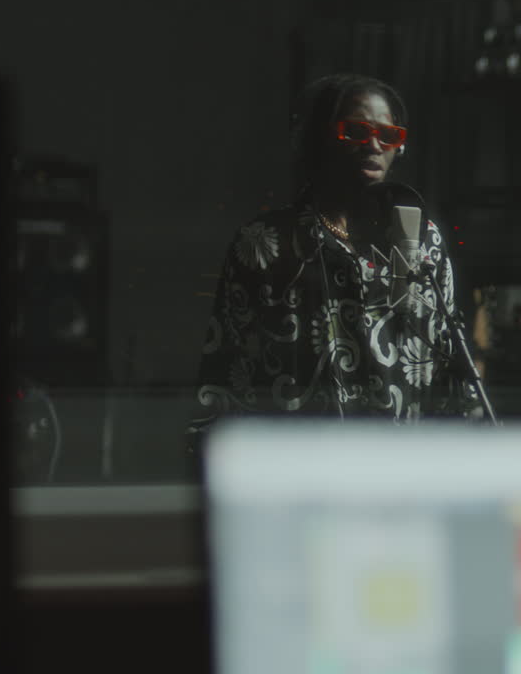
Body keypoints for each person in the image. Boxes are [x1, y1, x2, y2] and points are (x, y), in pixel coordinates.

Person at [186, 73, 481, 456]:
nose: (374, 145)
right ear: (320, 137)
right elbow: (226, 372)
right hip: (298, 472)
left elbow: (449, 365)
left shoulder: (425, 240)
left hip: (398, 472)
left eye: (389, 135)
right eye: (355, 131)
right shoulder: (265, 241)